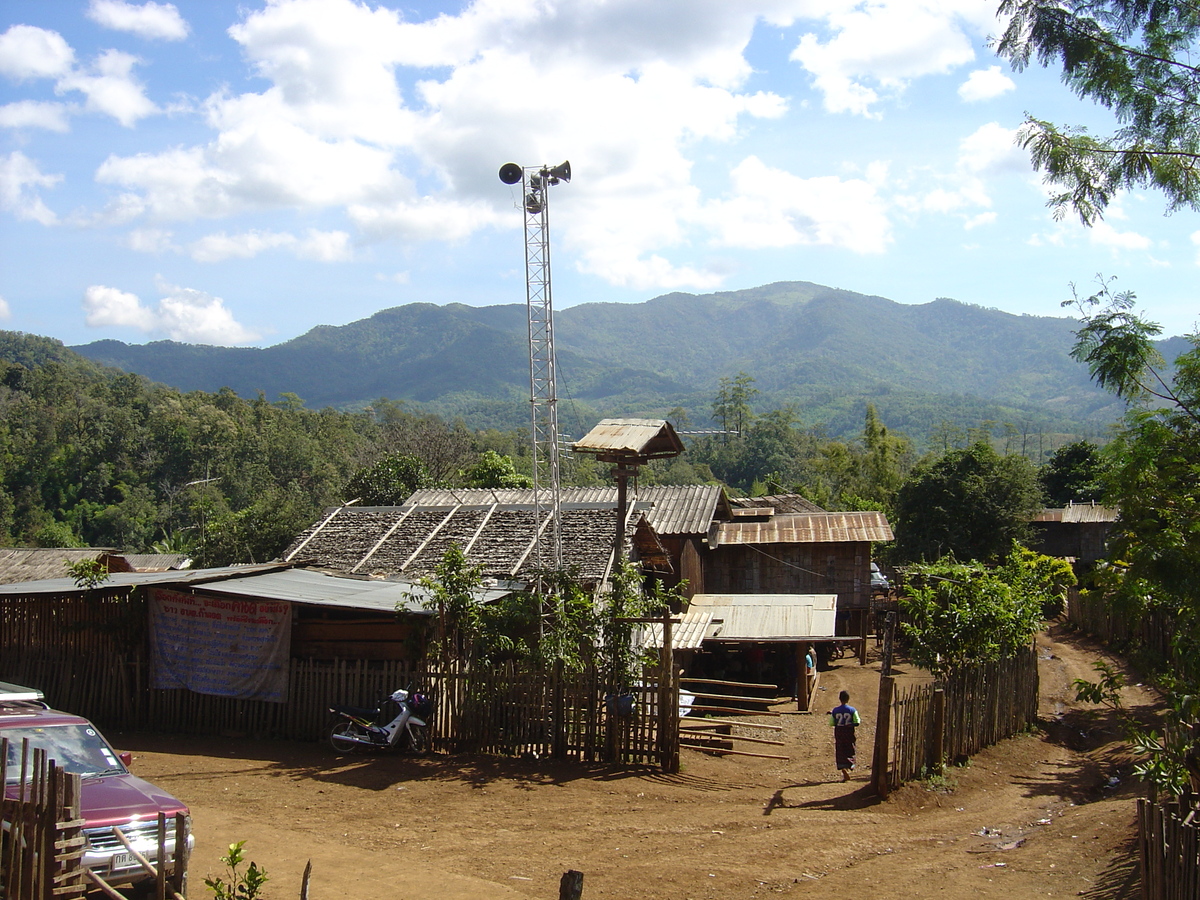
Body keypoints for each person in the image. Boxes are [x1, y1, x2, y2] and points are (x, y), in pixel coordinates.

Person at [828, 690, 861, 782]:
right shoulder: (852, 710)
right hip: (849, 731)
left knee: (840, 749)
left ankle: (843, 769)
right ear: (848, 699)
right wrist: (851, 724)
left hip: (839, 732)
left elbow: (831, 723)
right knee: (850, 748)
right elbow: (857, 722)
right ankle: (850, 765)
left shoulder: (835, 710)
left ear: (839, 699)